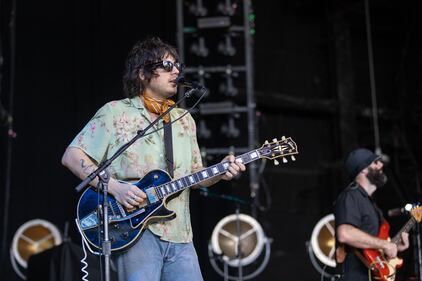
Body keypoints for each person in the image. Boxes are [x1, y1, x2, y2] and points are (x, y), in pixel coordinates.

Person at [61, 37, 245, 281]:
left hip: (181, 234)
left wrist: (220, 171)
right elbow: (72, 156)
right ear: (142, 73)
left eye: (178, 66)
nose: (176, 71)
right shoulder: (116, 112)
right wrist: (116, 188)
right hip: (134, 230)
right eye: (167, 66)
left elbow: (195, 174)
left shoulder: (184, 119)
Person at [334, 148, 409, 281]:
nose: (381, 165)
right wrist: (385, 244)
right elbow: (344, 233)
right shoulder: (351, 196)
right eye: (375, 162)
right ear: (363, 169)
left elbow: (373, 245)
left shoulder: (371, 204)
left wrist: (394, 245)